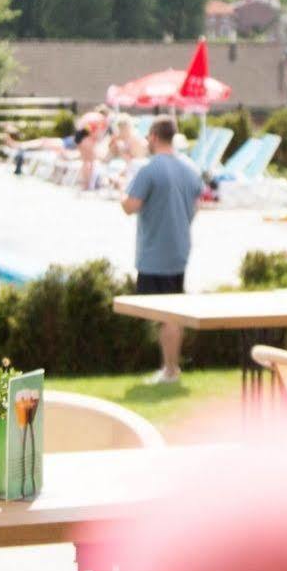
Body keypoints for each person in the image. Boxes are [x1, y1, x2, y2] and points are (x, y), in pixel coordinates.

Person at [121, 118, 203, 385]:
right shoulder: (190, 169)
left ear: (155, 137)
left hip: (155, 251)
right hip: (179, 248)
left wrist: (121, 190)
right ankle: (170, 368)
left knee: (165, 314)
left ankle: (170, 370)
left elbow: (130, 205)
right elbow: (196, 206)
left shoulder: (150, 170)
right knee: (172, 310)